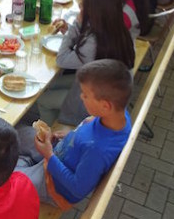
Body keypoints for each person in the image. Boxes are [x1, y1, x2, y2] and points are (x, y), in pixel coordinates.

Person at [15, 59, 132, 209]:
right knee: (13, 133)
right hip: (58, 152)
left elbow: (77, 188)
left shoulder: (98, 150)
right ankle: (24, 161)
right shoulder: (118, 114)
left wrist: (49, 156)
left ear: (105, 106)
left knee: (1, 178)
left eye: (85, 95)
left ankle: (23, 162)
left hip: (52, 184)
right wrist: (71, 135)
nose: (81, 97)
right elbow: (89, 132)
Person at [36, 0, 135, 126]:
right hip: (107, 86)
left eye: (84, 4)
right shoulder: (117, 29)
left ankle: (51, 134)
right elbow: (87, 39)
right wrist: (72, 28)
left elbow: (62, 59)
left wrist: (76, 25)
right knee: (46, 85)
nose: (80, 7)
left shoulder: (94, 43)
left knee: (43, 99)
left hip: (95, 102)